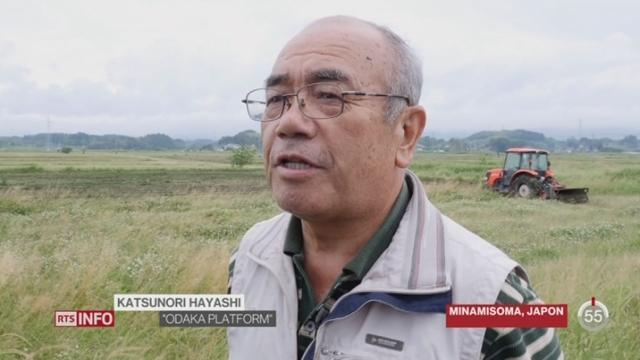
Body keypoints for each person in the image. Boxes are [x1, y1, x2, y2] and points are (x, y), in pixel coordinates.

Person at [228, 16, 563, 359]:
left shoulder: (495, 301)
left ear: (406, 132)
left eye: (329, 96)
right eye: (275, 98)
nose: (287, 123)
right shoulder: (250, 257)